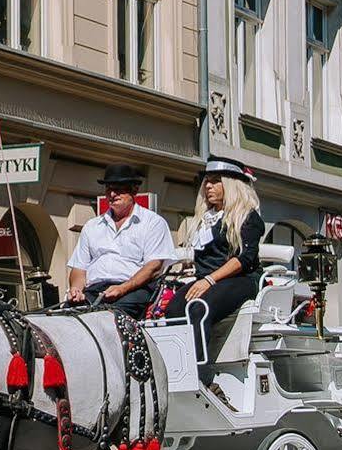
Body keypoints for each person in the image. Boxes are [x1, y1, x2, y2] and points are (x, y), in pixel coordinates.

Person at [170, 157, 264, 376]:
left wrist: (210, 280)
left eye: (214, 181)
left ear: (230, 186)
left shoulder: (247, 217)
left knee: (198, 308)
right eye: (207, 182)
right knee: (173, 308)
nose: (208, 186)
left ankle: (200, 375)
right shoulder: (205, 218)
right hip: (206, 280)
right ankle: (176, 370)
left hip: (240, 279)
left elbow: (244, 258)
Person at [65, 163, 175, 318]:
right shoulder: (92, 226)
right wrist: (76, 289)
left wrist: (122, 288)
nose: (112, 194)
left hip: (133, 290)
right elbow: (79, 268)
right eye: (109, 189)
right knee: (63, 316)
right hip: (94, 290)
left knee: (108, 318)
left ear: (134, 190)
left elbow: (153, 267)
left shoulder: (153, 222)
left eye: (118, 189)